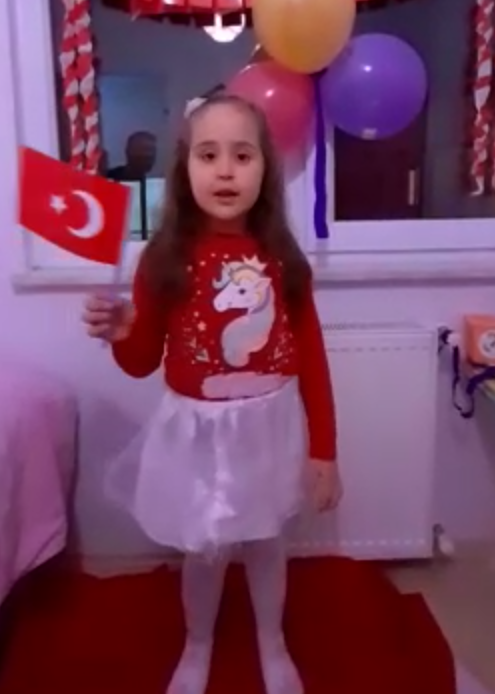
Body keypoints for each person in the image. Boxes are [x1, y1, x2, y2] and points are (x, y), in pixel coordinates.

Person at [82, 93, 342, 694]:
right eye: (208, 155)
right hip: (197, 435)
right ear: (185, 167)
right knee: (205, 550)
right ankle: (197, 643)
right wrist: (121, 333)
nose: (225, 170)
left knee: (266, 543)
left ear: (265, 169)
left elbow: (313, 358)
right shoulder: (162, 259)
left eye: (242, 155)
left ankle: (271, 642)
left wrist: (324, 451)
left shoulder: (282, 258)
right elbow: (141, 362)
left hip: (268, 431)